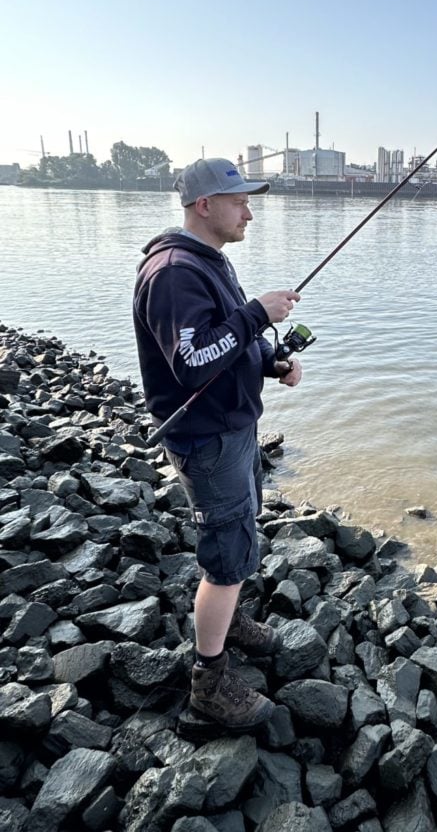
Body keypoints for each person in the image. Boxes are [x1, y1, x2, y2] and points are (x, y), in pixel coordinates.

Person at [132, 157, 302, 729]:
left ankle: (229, 623)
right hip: (206, 438)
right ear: (205, 206)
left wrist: (270, 362)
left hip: (233, 425)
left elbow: (222, 347)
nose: (250, 212)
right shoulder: (175, 272)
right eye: (240, 201)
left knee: (243, 527)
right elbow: (190, 360)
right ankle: (209, 682)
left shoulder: (211, 262)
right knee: (225, 558)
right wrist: (257, 314)